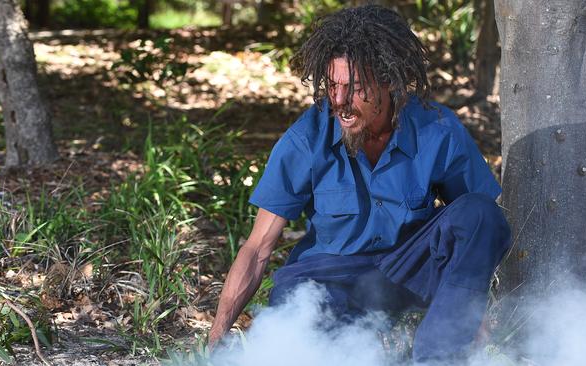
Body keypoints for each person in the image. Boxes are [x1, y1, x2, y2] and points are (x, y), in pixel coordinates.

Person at [208, 5, 511, 364]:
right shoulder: (306, 138)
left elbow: (475, 231)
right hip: (329, 276)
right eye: (331, 85)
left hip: (409, 269)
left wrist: (468, 305)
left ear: (389, 83)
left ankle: (437, 355)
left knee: (482, 213)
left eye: (353, 88)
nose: (338, 101)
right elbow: (258, 249)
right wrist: (216, 340)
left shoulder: (438, 129)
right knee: (300, 321)